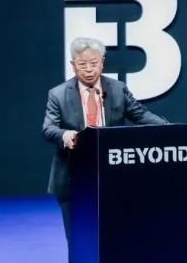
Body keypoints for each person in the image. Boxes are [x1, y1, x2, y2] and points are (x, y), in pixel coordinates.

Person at [42, 36, 168, 242]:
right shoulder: (58, 94)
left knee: (116, 234)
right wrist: (64, 134)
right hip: (73, 173)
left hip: (113, 171)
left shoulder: (118, 89)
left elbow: (141, 115)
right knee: (78, 238)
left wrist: (170, 129)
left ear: (102, 62)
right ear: (73, 65)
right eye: (82, 64)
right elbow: (48, 128)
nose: (89, 69)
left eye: (94, 63)